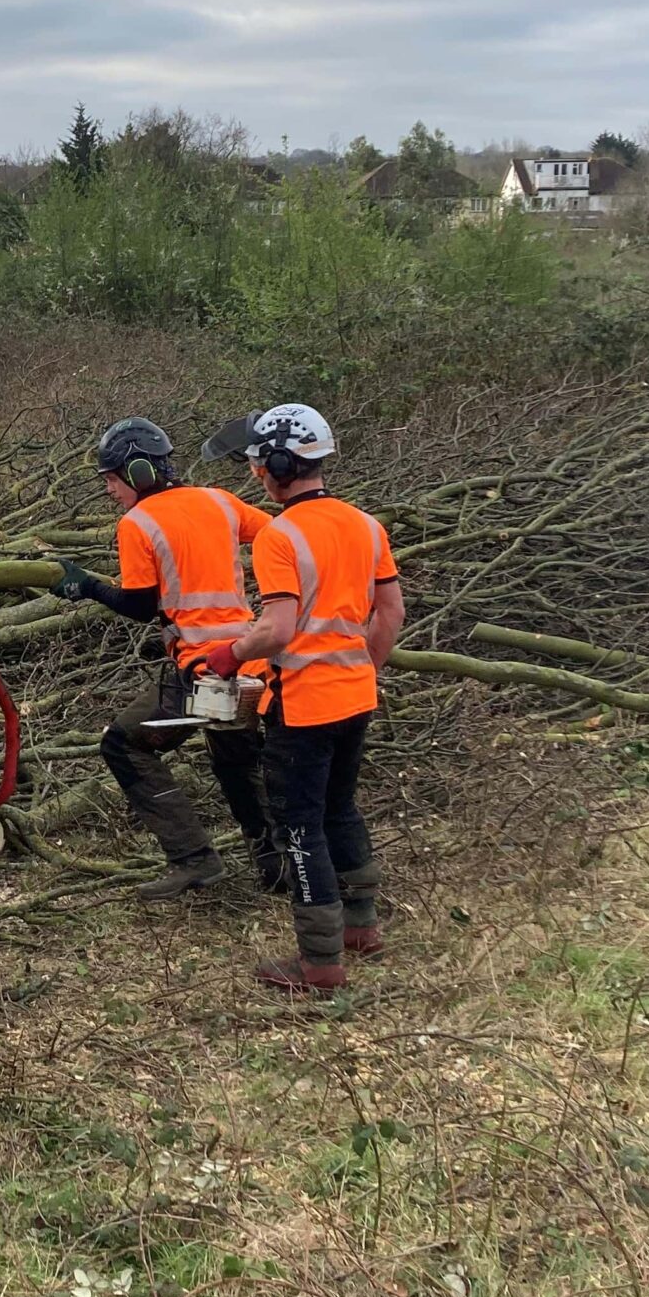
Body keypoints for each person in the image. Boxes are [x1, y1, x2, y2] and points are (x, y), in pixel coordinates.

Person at [197, 404, 403, 998]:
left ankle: (319, 963)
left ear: (279, 466)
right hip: (356, 697)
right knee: (341, 807)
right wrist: (362, 669)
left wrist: (232, 653)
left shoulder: (280, 536)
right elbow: (390, 614)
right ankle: (363, 927)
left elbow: (278, 629)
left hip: (303, 704)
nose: (256, 474)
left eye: (259, 464)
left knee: (300, 826)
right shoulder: (367, 525)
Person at [52, 417, 279, 899]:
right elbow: (280, 537)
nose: (111, 490)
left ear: (136, 472)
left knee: (124, 743)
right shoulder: (219, 500)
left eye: (112, 479)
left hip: (203, 672)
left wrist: (88, 586)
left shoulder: (138, 523)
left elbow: (138, 604)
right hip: (248, 661)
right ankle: (275, 865)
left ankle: (193, 858)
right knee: (238, 761)